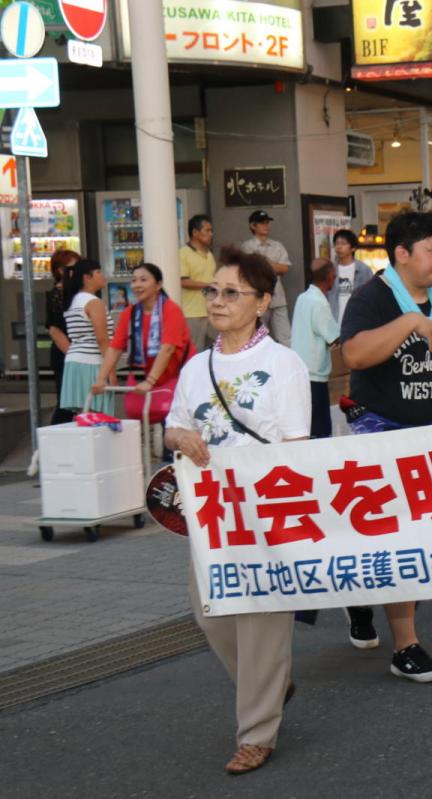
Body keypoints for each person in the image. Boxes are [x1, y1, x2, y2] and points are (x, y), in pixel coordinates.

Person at [164, 247, 311, 775]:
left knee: (261, 624)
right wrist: (179, 434)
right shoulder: (197, 366)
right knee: (208, 613)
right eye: (212, 291)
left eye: (232, 292)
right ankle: (269, 684)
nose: (218, 301)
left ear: (263, 301)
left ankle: (256, 733)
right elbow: (174, 427)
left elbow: (298, 445)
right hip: (211, 513)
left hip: (266, 509)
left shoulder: (283, 365)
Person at [337, 211, 432, 682]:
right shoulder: (373, 298)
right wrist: (408, 322)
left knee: (423, 537)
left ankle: (361, 595)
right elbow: (354, 355)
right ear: (401, 254)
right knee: (400, 536)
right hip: (379, 429)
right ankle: (405, 646)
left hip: (430, 431)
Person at [91, 263, 191, 419]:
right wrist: (100, 379)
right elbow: (115, 348)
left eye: (143, 280)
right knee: (136, 419)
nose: (137, 285)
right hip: (143, 375)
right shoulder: (129, 313)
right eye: (134, 280)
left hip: (174, 375)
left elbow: (168, 349)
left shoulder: (171, 310)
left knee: (173, 425)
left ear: (158, 285)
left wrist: (150, 381)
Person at [291, 259, 342, 439]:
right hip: (315, 374)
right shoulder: (319, 303)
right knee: (321, 430)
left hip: (300, 369)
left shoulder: (302, 298)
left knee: (305, 424)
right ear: (329, 277)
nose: (335, 279)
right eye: (334, 276)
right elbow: (334, 337)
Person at [60, 259, 115, 417]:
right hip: (93, 363)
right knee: (99, 417)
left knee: (82, 416)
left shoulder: (73, 300)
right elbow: (102, 340)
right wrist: (111, 372)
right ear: (87, 277)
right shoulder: (94, 302)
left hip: (74, 362)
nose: (102, 276)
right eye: (98, 272)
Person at [241, 210, 291, 346]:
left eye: (267, 222)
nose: (266, 226)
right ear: (252, 226)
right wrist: (274, 266)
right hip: (258, 296)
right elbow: (252, 269)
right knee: (259, 336)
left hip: (278, 296)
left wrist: (265, 263)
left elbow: (284, 268)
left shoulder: (277, 245)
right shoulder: (247, 247)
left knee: (285, 337)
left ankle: (287, 364)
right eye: (262, 223)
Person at [47, 250, 80, 424]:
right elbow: (54, 330)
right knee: (66, 404)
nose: (78, 271)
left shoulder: (76, 292)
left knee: (74, 403)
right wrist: (74, 355)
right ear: (60, 270)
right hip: (65, 356)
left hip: (75, 354)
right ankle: (54, 441)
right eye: (73, 267)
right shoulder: (57, 294)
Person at [179, 214, 217, 350]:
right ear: (195, 232)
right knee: (194, 354)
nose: (211, 234)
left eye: (211, 230)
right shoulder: (183, 253)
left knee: (214, 352)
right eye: (207, 230)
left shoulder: (209, 254)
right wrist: (209, 285)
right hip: (192, 314)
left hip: (211, 311)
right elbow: (183, 282)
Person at [327, 228, 374, 324]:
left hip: (357, 321)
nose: (339, 247)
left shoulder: (363, 270)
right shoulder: (330, 270)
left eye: (343, 244)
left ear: (353, 248)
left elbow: (371, 296)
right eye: (336, 244)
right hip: (334, 321)